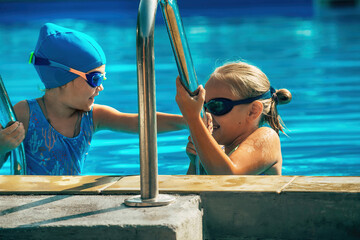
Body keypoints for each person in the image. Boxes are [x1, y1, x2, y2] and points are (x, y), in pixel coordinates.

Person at [0, 23, 186, 175]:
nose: (100, 87)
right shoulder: (24, 114)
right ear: (63, 77)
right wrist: (2, 146)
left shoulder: (92, 117)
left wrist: (189, 121)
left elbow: (141, 123)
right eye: (95, 78)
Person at [175, 61, 292, 175]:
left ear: (253, 111)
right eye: (203, 107)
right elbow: (190, 192)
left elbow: (228, 176)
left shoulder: (267, 138)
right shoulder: (217, 152)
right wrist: (196, 163)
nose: (207, 115)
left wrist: (194, 119)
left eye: (217, 106)